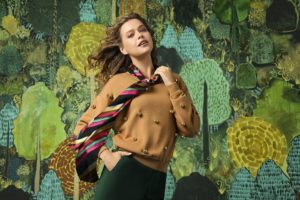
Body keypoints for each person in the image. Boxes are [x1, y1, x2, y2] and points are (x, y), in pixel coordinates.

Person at [72, 12, 200, 200]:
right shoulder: (119, 82)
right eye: (130, 35)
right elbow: (82, 128)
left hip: (158, 177)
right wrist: (106, 155)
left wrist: (171, 83)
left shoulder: (172, 81)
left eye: (142, 30)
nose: (140, 35)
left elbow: (190, 128)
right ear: (123, 49)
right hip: (124, 172)